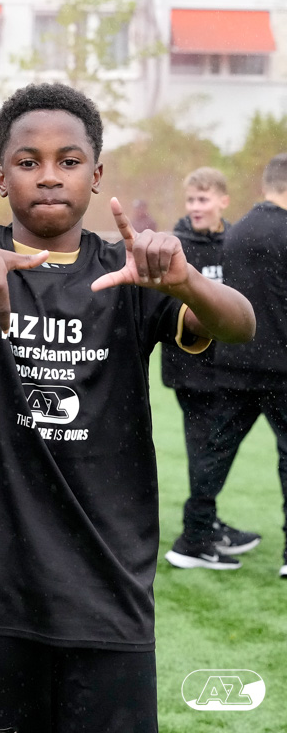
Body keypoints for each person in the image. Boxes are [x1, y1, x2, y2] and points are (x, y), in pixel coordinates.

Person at [0, 83, 254, 732]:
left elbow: (239, 325)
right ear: (0, 176)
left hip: (106, 583)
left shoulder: (127, 272)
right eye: (28, 161)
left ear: (96, 175)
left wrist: (184, 280)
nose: (48, 176)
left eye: (68, 161)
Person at [161, 167, 261, 569]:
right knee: (204, 450)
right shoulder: (177, 246)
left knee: (213, 451)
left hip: (228, 370)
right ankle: (198, 533)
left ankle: (207, 522)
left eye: (203, 199)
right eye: (191, 200)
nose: (195, 207)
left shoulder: (235, 242)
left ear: (223, 201)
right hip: (190, 372)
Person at [214, 153, 287, 579]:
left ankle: (196, 535)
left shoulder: (237, 230)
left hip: (236, 362)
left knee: (215, 452)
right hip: (282, 366)